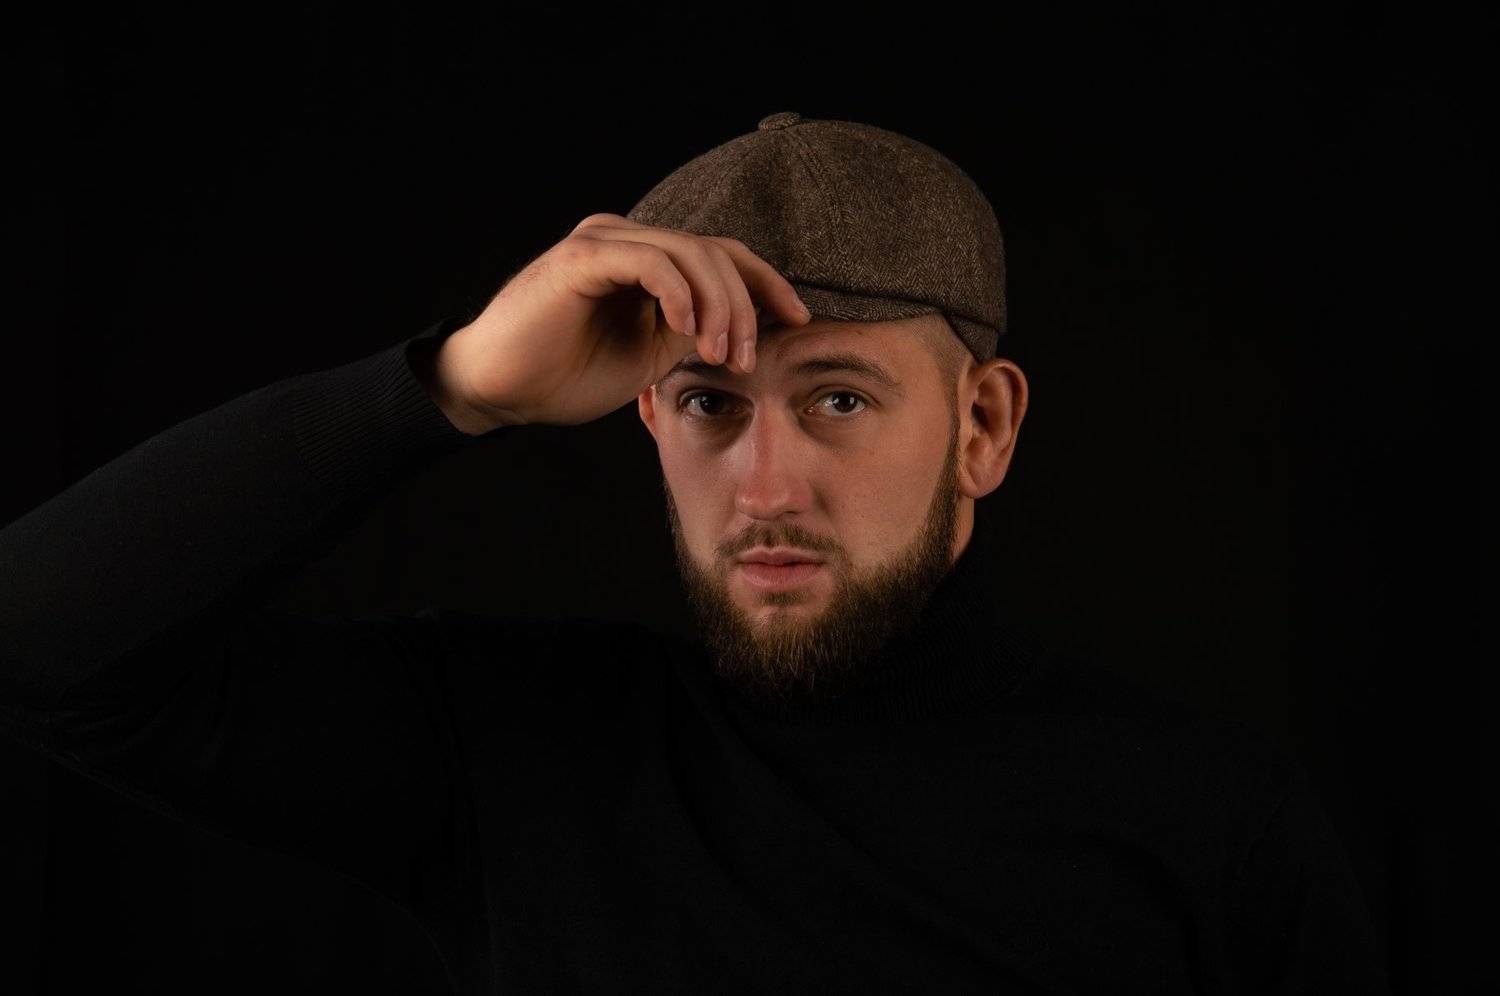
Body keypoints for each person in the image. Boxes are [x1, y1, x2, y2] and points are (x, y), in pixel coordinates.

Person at [0, 113, 1390, 993]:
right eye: (713, 406)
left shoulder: (1206, 822)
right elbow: (41, 635)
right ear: (652, 419)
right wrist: (455, 385)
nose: (764, 487)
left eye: (838, 400)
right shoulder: (521, 757)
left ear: (982, 426)